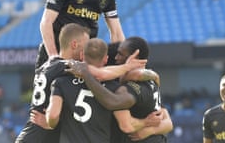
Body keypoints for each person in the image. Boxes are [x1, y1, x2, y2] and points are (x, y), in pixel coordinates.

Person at [16, 24, 146, 143]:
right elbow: (99, 73)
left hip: (30, 134)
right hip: (41, 136)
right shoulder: (67, 66)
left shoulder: (46, 66)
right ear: (74, 45)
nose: (88, 49)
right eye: (86, 44)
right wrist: (127, 67)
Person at [66, 36, 173, 142]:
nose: (116, 58)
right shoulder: (151, 82)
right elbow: (168, 123)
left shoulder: (131, 86)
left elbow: (121, 116)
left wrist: (147, 126)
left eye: (120, 54)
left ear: (133, 58)